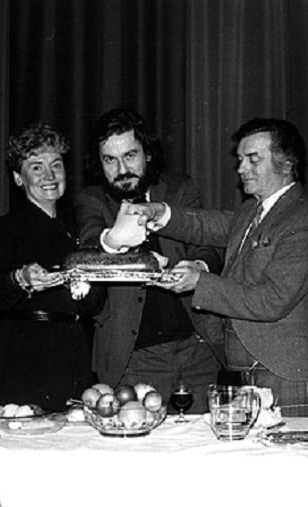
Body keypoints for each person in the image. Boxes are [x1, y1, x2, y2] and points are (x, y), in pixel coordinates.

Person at [123, 118, 308, 416]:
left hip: (285, 374)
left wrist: (200, 282)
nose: (241, 169)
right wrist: (159, 212)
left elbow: (271, 301)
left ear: (285, 164)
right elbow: (203, 224)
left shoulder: (305, 221)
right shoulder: (251, 210)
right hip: (247, 371)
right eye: (240, 159)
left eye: (252, 159)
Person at [75, 108, 223, 412]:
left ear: (148, 154)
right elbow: (92, 243)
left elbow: (206, 245)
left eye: (130, 155)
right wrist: (116, 239)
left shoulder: (180, 189)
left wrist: (199, 267)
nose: (121, 169)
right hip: (131, 358)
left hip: (198, 349)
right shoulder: (92, 200)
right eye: (109, 160)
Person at [0, 122, 103, 411]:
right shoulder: (6, 228)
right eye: (36, 167)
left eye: (56, 165)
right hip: (26, 357)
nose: (49, 176)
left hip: (75, 351)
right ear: (18, 178)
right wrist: (19, 278)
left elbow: (94, 302)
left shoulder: (81, 227)